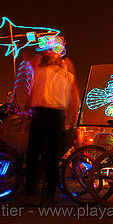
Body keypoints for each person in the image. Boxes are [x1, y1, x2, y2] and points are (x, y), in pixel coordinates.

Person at [25, 50, 79, 203]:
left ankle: (30, 191)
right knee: (53, 155)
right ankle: (50, 192)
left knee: (33, 153)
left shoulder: (38, 72)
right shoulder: (67, 76)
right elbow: (74, 99)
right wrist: (72, 119)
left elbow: (30, 97)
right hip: (57, 115)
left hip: (40, 113)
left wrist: (26, 108)